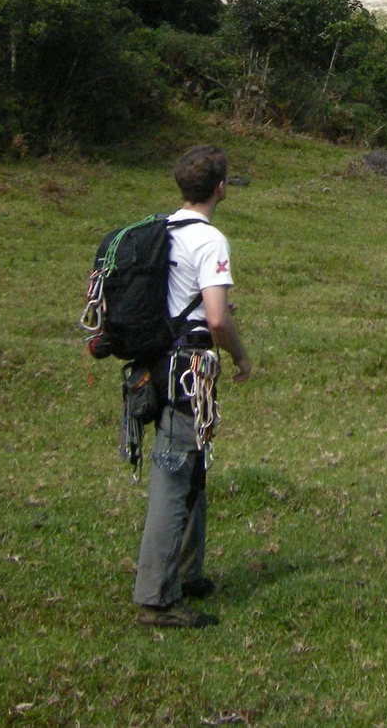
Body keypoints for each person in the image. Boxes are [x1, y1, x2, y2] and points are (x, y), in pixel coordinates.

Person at [133, 145, 251, 628]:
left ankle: (187, 572)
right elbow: (217, 317)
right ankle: (157, 597)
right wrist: (240, 353)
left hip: (156, 361)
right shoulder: (210, 240)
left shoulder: (161, 230)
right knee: (174, 473)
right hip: (189, 369)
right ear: (220, 188)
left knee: (192, 464)